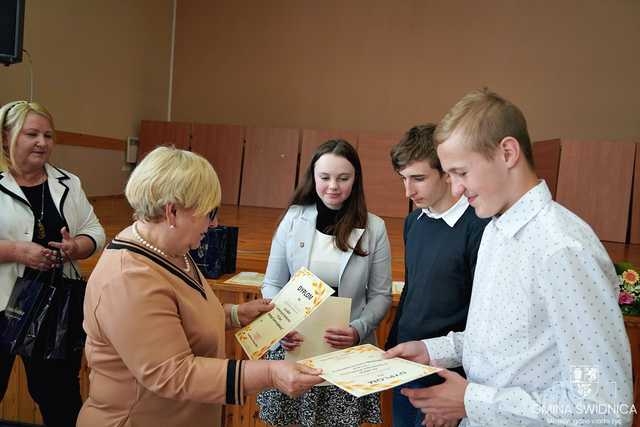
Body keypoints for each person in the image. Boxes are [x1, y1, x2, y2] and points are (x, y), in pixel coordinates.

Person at [386, 88, 634, 427]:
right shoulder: (495, 229)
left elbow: (604, 408)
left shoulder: (563, 249)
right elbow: (502, 341)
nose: (456, 189)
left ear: (507, 152)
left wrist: (472, 401)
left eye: (461, 173)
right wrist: (433, 350)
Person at [78, 146, 323, 427]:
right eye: (210, 212)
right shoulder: (128, 277)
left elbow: (178, 317)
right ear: (172, 212)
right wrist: (270, 373)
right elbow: (173, 373)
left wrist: (235, 314)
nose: (215, 222)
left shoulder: (170, 250)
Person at [257, 139, 392, 426]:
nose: (333, 186)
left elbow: (381, 296)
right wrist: (282, 325)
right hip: (296, 346)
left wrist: (358, 330)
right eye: (325, 177)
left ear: (355, 181)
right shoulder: (293, 218)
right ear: (313, 177)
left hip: (346, 351)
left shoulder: (375, 228)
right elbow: (271, 284)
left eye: (343, 178)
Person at [0, 100, 106, 426]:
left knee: (59, 398)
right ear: (6, 138)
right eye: (31, 134)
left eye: (48, 135)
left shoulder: (68, 183)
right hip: (2, 305)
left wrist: (77, 246)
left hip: (53, 309)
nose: (42, 142)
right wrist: (17, 252)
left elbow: (95, 231)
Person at [386, 124, 488, 427]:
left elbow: (481, 317)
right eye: (403, 179)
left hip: (448, 374)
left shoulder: (478, 228)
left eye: (418, 178)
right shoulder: (412, 222)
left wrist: (460, 391)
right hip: (406, 364)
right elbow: (411, 292)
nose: (408, 191)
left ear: (447, 172)